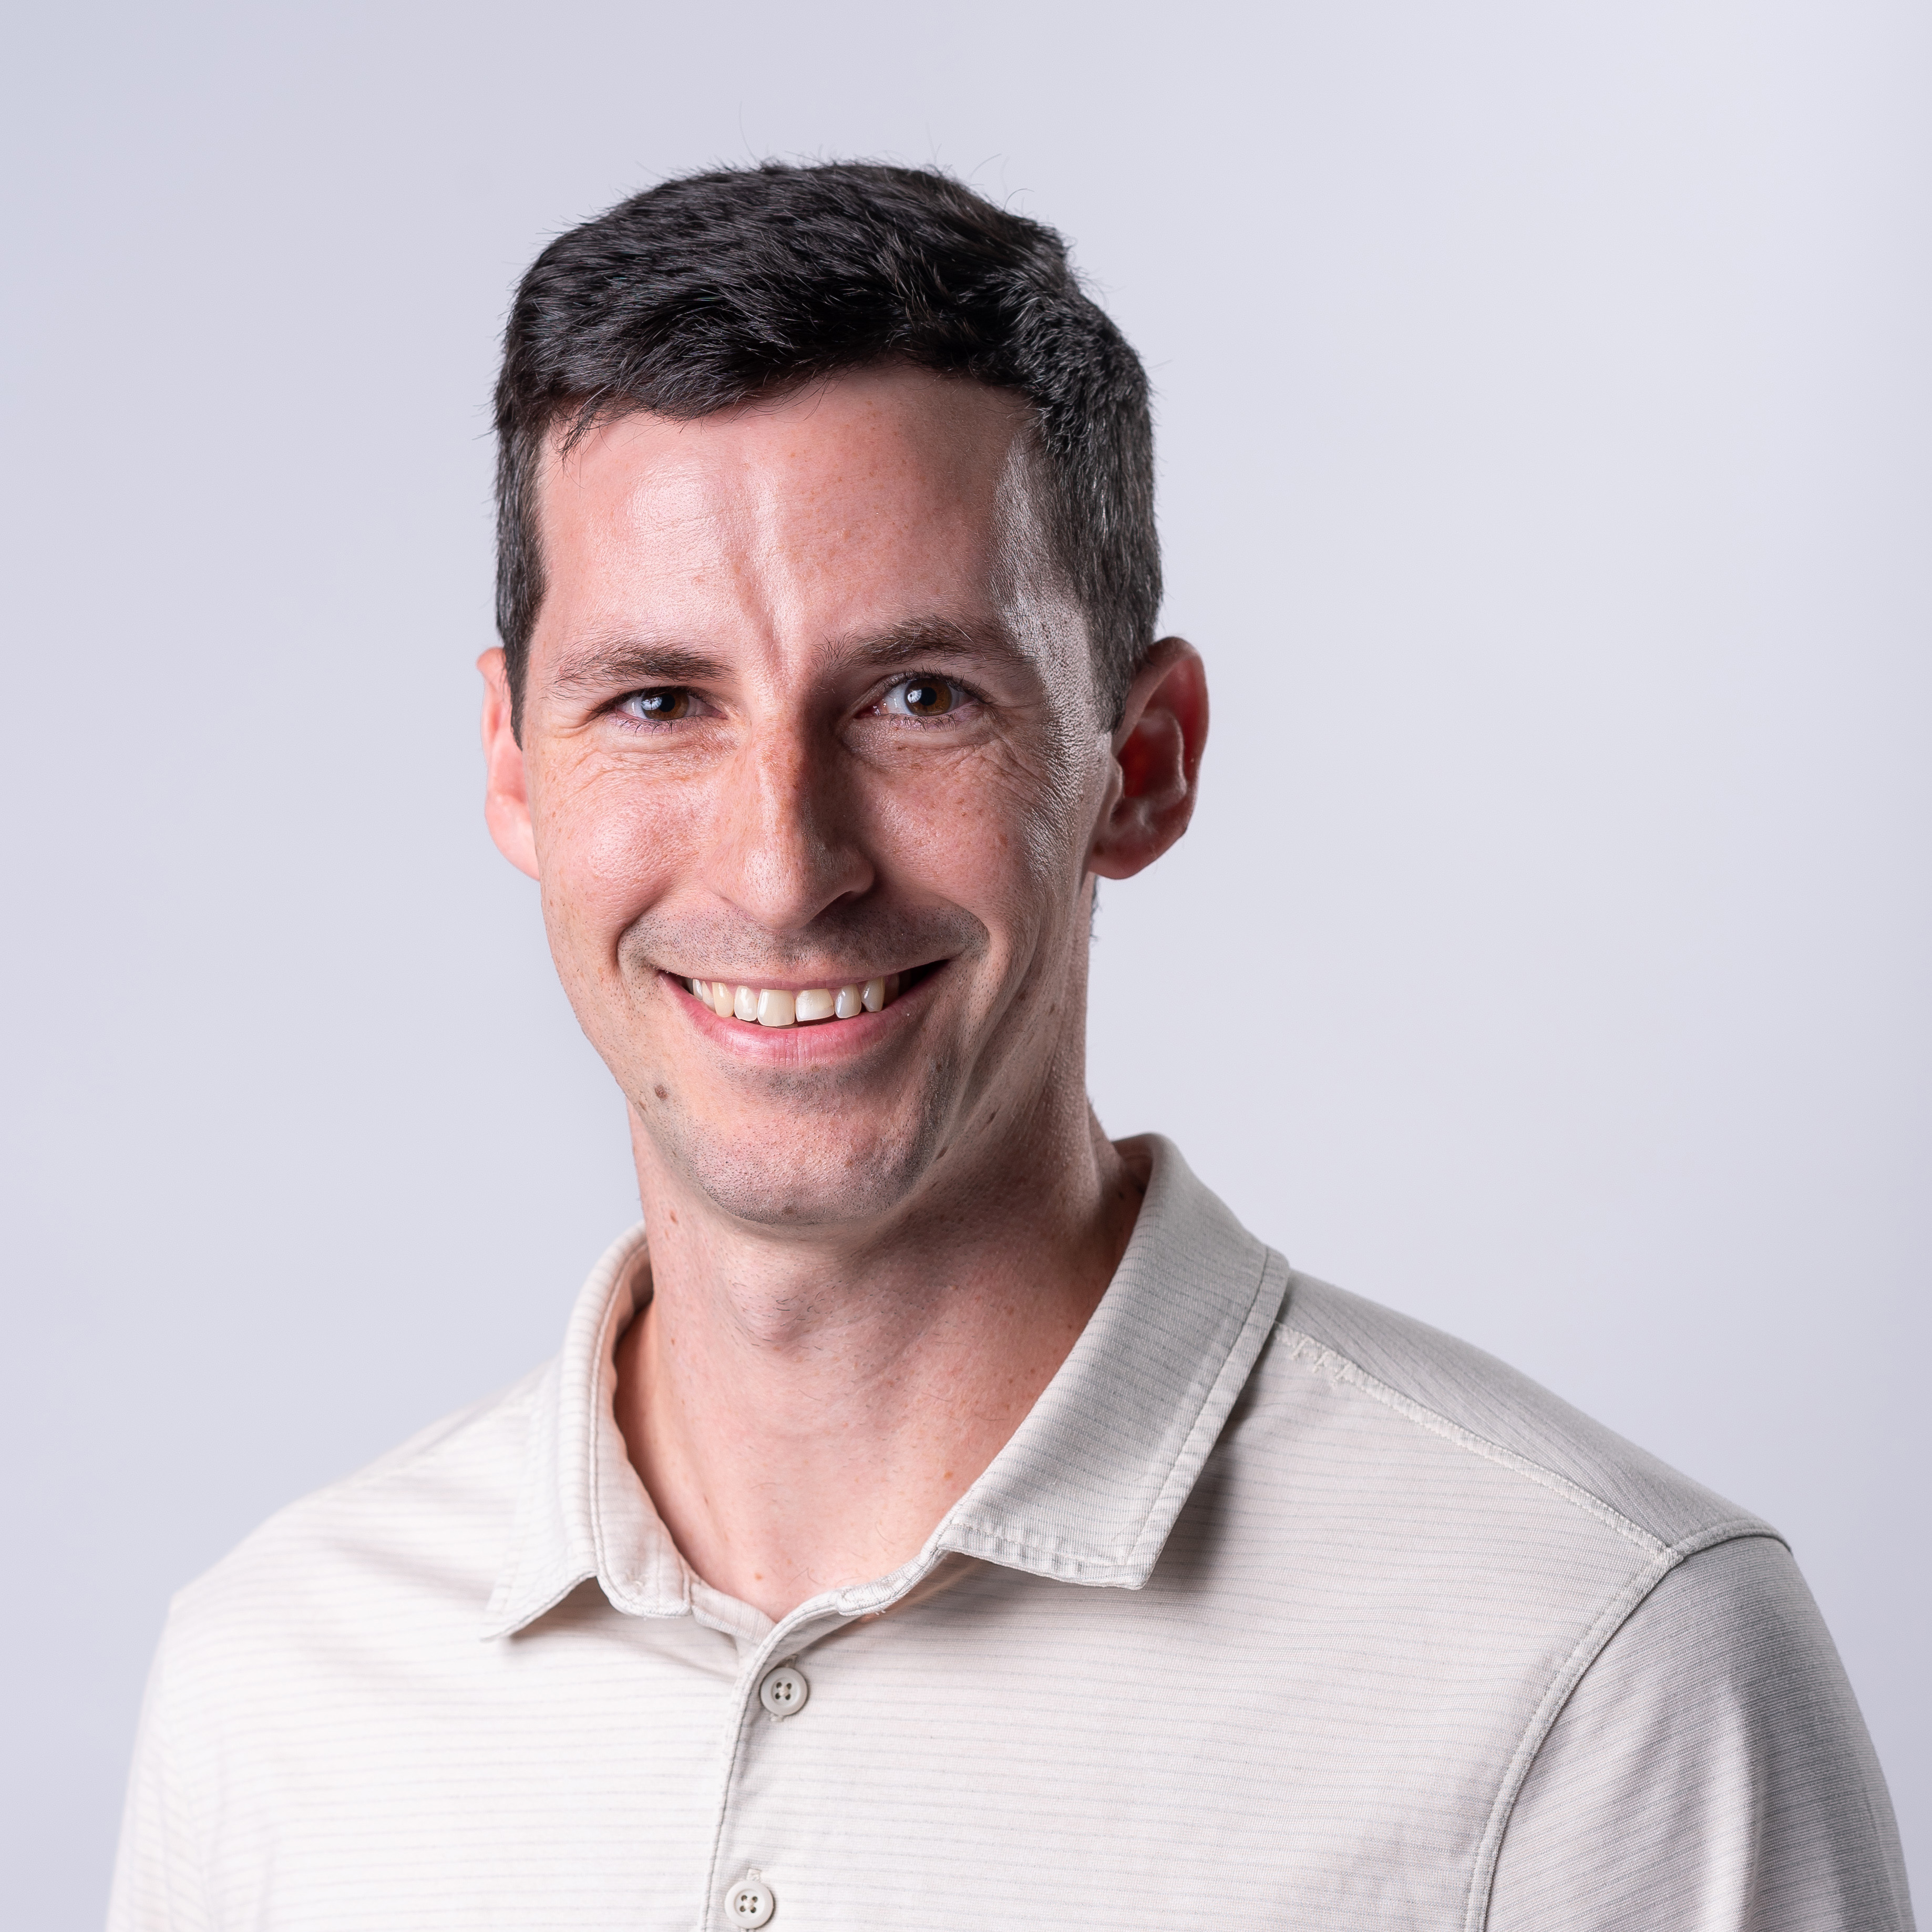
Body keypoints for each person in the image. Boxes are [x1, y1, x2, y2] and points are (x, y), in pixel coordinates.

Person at [108, 161, 1913, 1932]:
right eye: (657, 702)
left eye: (918, 698)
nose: (781, 866)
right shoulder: (275, 1694)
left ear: (1141, 760)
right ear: (514, 762)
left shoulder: (1599, 1671)